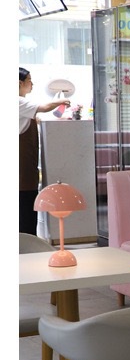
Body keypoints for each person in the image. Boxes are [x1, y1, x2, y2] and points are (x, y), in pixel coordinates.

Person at [19, 67, 69, 235]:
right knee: (25, 209)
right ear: (19, 83)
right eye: (29, 80)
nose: (32, 84)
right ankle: (26, 244)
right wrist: (62, 101)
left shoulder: (22, 105)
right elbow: (45, 107)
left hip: (25, 167)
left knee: (26, 207)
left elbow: (37, 118)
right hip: (22, 169)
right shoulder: (18, 101)